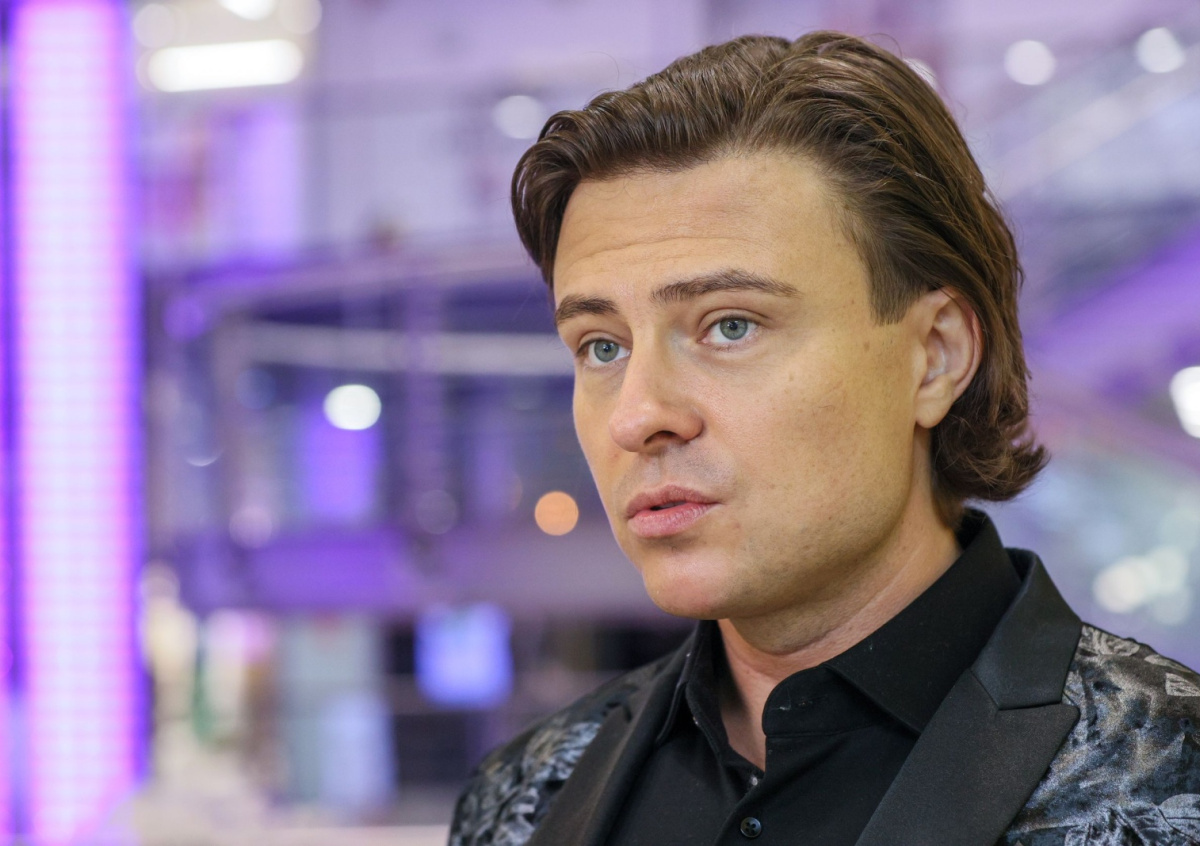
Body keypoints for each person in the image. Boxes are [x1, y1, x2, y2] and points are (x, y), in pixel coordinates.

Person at [449, 31, 1200, 846]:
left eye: (730, 326)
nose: (637, 417)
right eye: (602, 346)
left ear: (935, 356)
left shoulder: (1170, 778)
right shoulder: (521, 798)